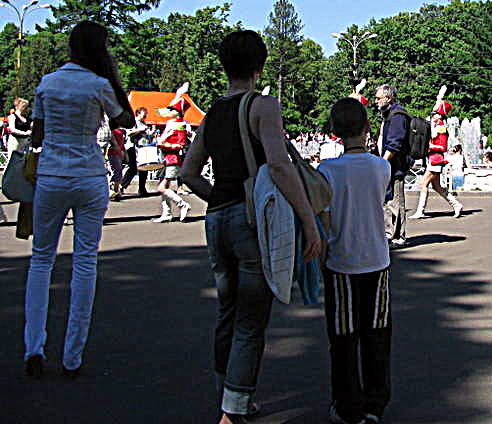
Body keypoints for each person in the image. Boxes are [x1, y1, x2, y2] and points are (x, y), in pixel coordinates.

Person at [181, 30, 321, 424]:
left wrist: (217, 198)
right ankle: (234, 409)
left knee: (227, 311)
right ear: (258, 68)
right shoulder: (263, 107)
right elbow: (278, 164)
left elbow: (187, 173)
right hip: (248, 222)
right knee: (251, 319)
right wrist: (308, 220)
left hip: (216, 219)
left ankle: (228, 394)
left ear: (225, 66)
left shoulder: (212, 114)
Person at [24, 21, 135, 379]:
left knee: (41, 260)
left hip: (52, 176)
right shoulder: (99, 85)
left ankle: (33, 346)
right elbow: (126, 119)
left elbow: (38, 133)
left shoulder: (48, 84)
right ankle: (73, 354)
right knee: (85, 262)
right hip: (88, 175)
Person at [317, 98, 392, 424]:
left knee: (343, 338)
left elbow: (327, 220)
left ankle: (348, 406)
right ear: (367, 129)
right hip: (376, 259)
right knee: (376, 335)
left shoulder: (327, 170)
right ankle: (375, 403)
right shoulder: (382, 167)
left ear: (334, 132)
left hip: (341, 261)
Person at [410, 86, 463, 219]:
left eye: (436, 114)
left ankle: (420, 211)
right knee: (437, 187)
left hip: (436, 159)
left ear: (441, 116)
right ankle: (456, 204)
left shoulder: (442, 128)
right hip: (432, 158)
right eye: (433, 114)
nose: (433, 116)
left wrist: (431, 146)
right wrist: (440, 96)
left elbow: (442, 147)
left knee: (424, 184)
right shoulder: (435, 126)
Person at [375, 84, 412, 248]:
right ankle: (390, 234)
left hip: (395, 166)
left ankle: (398, 237)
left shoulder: (397, 116)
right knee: (388, 200)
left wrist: (383, 162)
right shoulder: (390, 114)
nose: (376, 101)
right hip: (390, 165)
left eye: (378, 98)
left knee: (395, 201)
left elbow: (394, 144)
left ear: (388, 98)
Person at [152, 87, 192, 223]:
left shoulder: (179, 125)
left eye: (173, 110)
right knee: (164, 186)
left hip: (173, 158)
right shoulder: (173, 123)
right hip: (168, 158)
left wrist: (163, 143)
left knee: (162, 187)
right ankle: (167, 213)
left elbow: (180, 144)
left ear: (178, 112)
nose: (170, 111)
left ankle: (183, 204)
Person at [120, 107, 151, 196]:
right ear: (138, 113)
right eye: (144, 114)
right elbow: (128, 133)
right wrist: (140, 130)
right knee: (133, 169)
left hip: (143, 148)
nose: (145, 116)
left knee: (144, 168)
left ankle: (142, 189)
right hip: (133, 148)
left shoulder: (143, 123)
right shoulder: (133, 122)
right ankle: (122, 186)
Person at [108, 127, 126, 201]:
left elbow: (122, 143)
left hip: (118, 153)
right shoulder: (111, 129)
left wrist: (124, 153)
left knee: (119, 172)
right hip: (112, 153)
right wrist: (116, 146)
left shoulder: (121, 130)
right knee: (115, 171)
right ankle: (112, 191)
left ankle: (116, 191)